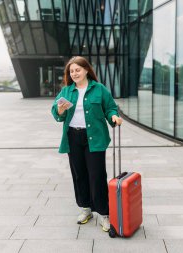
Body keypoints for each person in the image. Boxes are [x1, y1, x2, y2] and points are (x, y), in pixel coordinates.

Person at [51, 56, 123, 232]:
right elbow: (56, 114)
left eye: (77, 70)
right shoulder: (66, 92)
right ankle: (85, 208)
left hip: (95, 138)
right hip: (73, 138)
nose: (74, 73)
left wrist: (113, 116)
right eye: (71, 71)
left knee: (97, 175)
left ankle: (104, 214)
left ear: (86, 70)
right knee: (79, 174)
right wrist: (59, 110)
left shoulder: (99, 89)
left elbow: (110, 107)